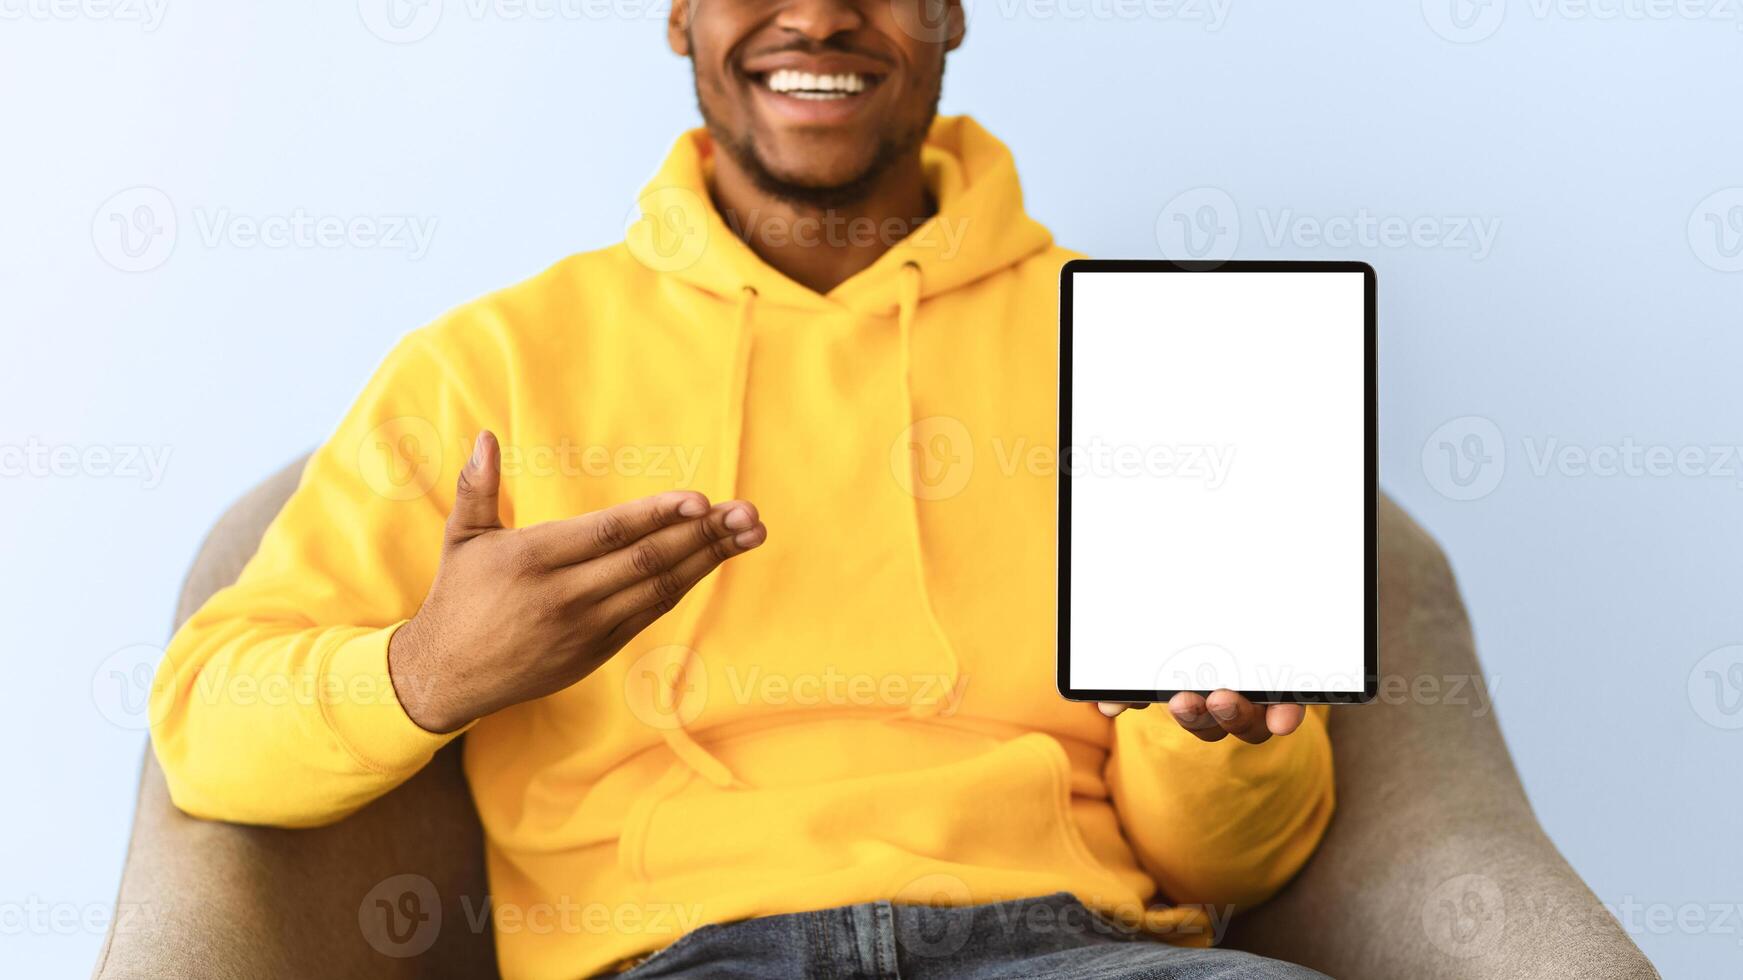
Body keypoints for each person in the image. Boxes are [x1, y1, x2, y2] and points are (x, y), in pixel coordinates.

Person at [149, 2, 1334, 977]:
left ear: (952, 15)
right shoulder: (489, 365)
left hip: (1074, 949)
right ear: (679, 17)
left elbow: (1235, 866)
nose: (818, 18)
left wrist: (1214, 747)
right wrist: (427, 668)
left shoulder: (1166, 357)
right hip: (668, 957)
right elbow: (208, 728)